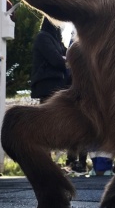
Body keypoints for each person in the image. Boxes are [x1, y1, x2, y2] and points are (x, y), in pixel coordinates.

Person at [30, 18, 87, 174]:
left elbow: (67, 57)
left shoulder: (56, 41)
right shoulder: (43, 37)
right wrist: (68, 61)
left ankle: (49, 164)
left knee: (51, 124)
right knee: (45, 125)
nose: (60, 28)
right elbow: (57, 61)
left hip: (56, 86)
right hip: (46, 86)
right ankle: (44, 163)